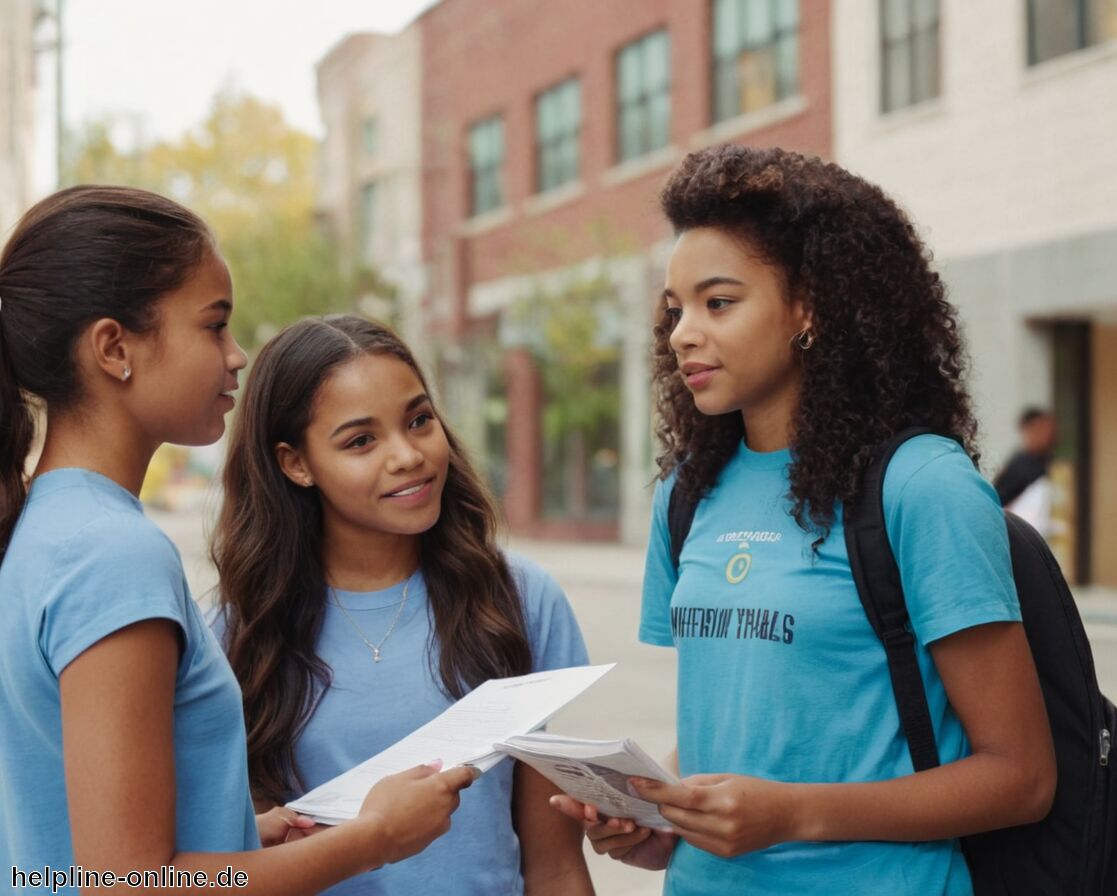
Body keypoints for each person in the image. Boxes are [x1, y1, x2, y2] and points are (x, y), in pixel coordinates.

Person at [551, 144, 1057, 894]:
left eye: (718, 303)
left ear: (809, 307)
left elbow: (1020, 778)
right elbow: (735, 739)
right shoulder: (687, 492)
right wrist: (661, 816)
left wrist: (792, 816)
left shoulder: (921, 486)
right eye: (675, 310)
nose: (684, 332)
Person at [0, 186, 474, 894]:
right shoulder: (111, 554)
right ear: (113, 347)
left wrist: (236, 834)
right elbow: (125, 882)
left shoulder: (48, 528)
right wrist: (375, 839)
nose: (237, 353)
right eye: (213, 325)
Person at [210, 314, 595, 896]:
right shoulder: (236, 631)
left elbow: (555, 867)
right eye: (361, 440)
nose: (408, 456)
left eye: (419, 420)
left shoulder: (520, 601)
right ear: (296, 463)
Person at [992, 407, 1058, 536]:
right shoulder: (1019, 465)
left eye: (1050, 429)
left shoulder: (1052, 463)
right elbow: (999, 503)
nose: (1048, 434)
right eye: (1040, 428)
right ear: (1027, 430)